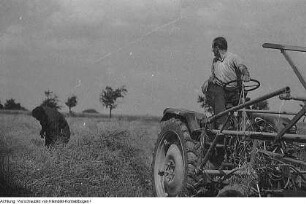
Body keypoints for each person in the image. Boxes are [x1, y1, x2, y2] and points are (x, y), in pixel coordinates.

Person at [202, 37, 250, 129]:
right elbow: (212, 76)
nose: (212, 50)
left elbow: (242, 67)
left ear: (217, 48)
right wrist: (211, 80)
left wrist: (246, 74)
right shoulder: (215, 62)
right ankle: (222, 126)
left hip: (235, 92)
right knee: (214, 89)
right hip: (222, 93)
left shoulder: (233, 57)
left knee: (244, 110)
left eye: (213, 48)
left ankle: (247, 127)